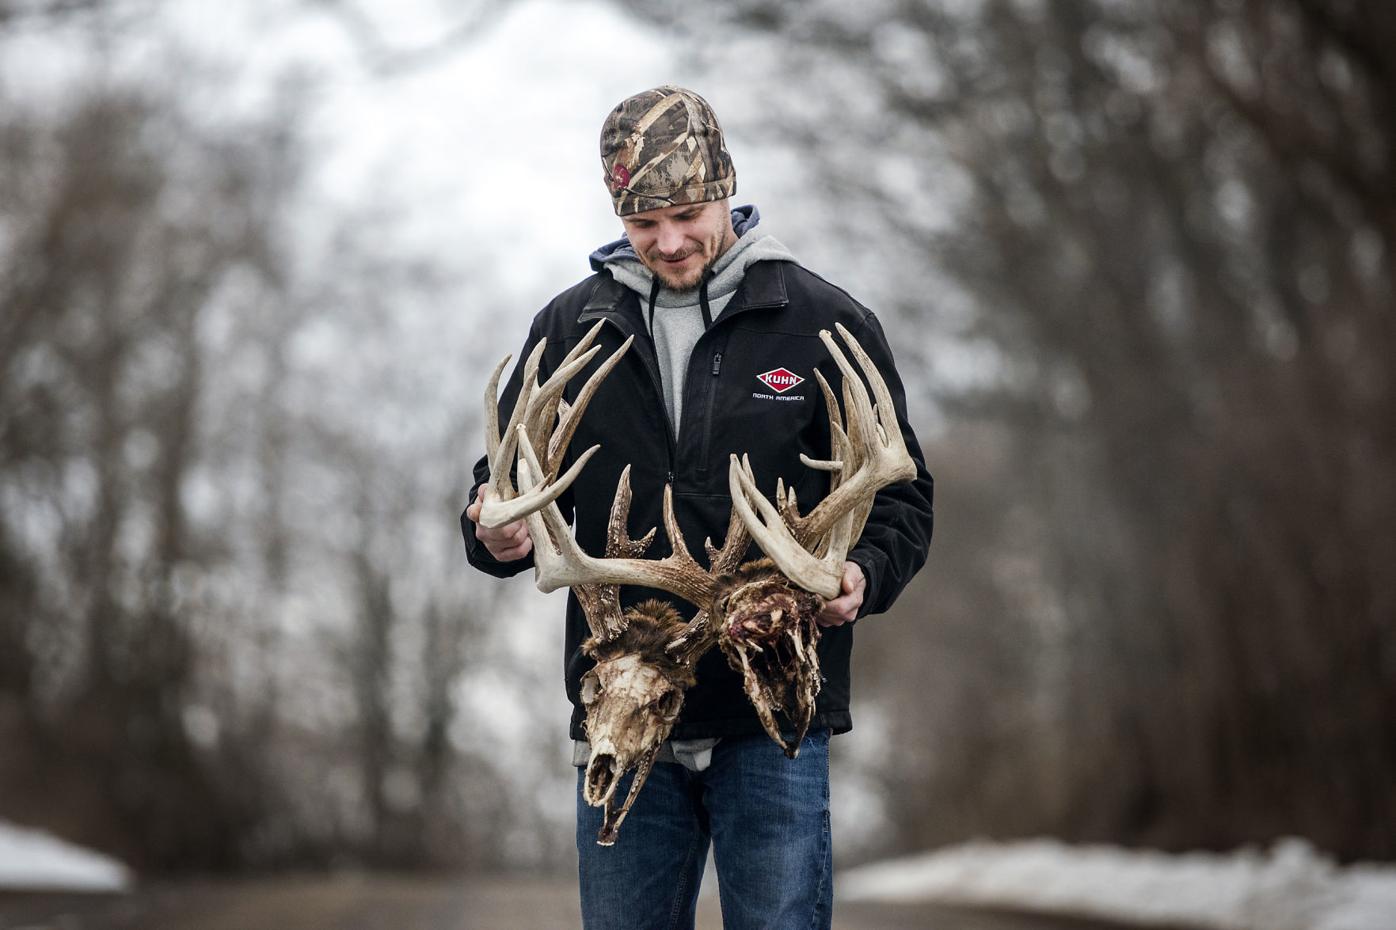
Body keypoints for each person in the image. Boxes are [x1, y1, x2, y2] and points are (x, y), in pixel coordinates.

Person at [462, 85, 934, 930]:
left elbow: (902, 496)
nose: (669, 242)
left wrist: (863, 574)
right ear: (618, 214)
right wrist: (495, 527)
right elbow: (504, 480)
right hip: (621, 711)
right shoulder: (571, 328)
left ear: (724, 186)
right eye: (645, 224)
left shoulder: (820, 322)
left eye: (685, 213)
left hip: (773, 713)